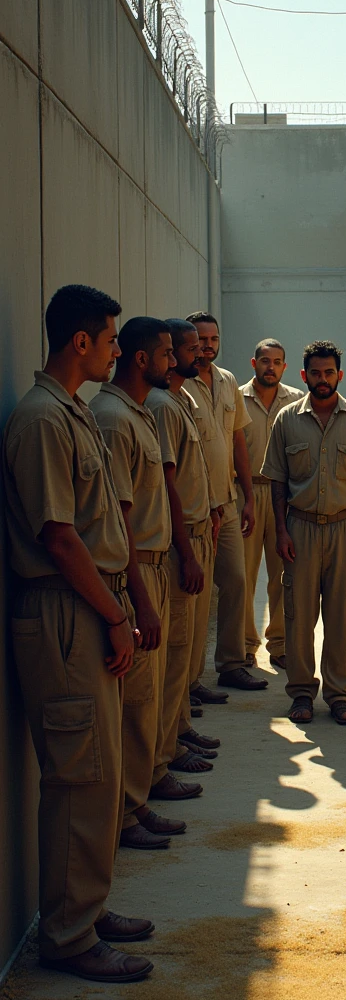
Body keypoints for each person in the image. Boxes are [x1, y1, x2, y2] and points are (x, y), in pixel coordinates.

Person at [2, 284, 153, 983]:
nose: (118, 350)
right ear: (81, 342)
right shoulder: (41, 419)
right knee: (78, 777)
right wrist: (116, 615)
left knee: (99, 774)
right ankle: (67, 935)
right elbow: (60, 539)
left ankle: (85, 910)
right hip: (66, 611)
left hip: (89, 607)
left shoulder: (72, 413)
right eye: (110, 339)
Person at [91, 317, 189, 849]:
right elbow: (118, 518)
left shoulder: (136, 412)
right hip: (137, 569)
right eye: (167, 354)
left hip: (153, 563)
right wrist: (139, 598)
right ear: (140, 359)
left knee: (147, 700)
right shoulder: (112, 418)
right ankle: (126, 814)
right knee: (135, 703)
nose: (173, 362)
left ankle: (138, 799)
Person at [262, 340, 346, 725]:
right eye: (315, 372)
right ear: (304, 376)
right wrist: (281, 530)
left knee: (343, 616)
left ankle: (339, 696)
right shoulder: (286, 419)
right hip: (300, 528)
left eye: (329, 372)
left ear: (339, 375)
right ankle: (300, 693)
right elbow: (277, 481)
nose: (323, 379)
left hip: (345, 528)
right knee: (298, 618)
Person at [147, 319, 221, 788]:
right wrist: (187, 551)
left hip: (195, 533)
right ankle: (165, 753)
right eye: (192, 348)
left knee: (186, 652)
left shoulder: (181, 398)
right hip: (178, 543)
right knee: (173, 657)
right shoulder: (162, 406)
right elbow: (168, 485)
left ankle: (179, 731)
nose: (201, 354)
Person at [185, 312, 267, 691]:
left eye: (213, 339)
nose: (208, 345)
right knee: (194, 596)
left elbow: (239, 442)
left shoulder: (228, 381)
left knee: (235, 581)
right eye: (201, 339)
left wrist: (249, 496)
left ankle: (232, 664)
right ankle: (188, 680)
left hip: (228, 503)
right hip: (193, 510)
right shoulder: (176, 388)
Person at [239, 339, 304, 668]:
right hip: (246, 494)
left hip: (284, 495)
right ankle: (246, 645)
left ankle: (279, 644)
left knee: (283, 574)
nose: (271, 367)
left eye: (277, 361)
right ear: (254, 363)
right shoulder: (236, 398)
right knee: (244, 575)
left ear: (284, 366)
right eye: (265, 360)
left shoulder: (295, 400)